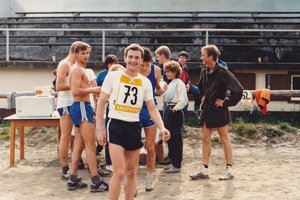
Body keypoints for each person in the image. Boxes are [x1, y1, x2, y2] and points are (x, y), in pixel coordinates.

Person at [96, 43, 170, 200]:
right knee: (119, 172)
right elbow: (101, 102)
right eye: (130, 57)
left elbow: (152, 108)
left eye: (137, 57)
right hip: (115, 124)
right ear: (125, 58)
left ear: (141, 60)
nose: (133, 60)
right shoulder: (113, 76)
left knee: (131, 172)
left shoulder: (145, 82)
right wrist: (99, 129)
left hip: (134, 127)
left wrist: (162, 127)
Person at [189, 45, 243, 181]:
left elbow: (238, 90)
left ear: (211, 57)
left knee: (224, 139)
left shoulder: (224, 73)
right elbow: (200, 86)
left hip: (219, 111)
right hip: (206, 111)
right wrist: (202, 96)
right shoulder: (204, 71)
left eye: (203, 55)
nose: (201, 57)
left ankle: (229, 170)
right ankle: (204, 170)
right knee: (205, 139)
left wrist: (225, 102)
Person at [68, 41, 109, 192]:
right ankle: (96, 181)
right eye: (83, 53)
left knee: (79, 145)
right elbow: (75, 91)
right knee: (91, 146)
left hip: (81, 107)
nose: (86, 56)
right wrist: (94, 89)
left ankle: (72, 179)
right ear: (76, 54)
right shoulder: (78, 70)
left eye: (87, 53)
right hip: (81, 106)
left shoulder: (79, 69)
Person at [138, 47, 166, 191]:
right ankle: (131, 178)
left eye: (146, 65)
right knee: (133, 146)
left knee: (150, 147)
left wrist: (161, 88)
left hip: (149, 109)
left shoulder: (155, 70)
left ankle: (150, 177)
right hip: (134, 110)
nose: (143, 68)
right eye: (142, 65)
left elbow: (158, 89)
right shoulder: (133, 69)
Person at [55, 41, 79, 180]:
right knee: (66, 136)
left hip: (74, 102)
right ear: (75, 52)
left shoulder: (74, 65)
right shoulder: (64, 64)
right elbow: (58, 86)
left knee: (75, 136)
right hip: (66, 103)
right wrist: (75, 85)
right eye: (82, 53)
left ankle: (73, 165)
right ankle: (64, 167)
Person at [162, 60, 188, 173]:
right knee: (170, 138)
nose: (166, 74)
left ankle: (177, 164)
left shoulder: (180, 83)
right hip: (169, 110)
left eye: (168, 72)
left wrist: (174, 108)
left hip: (174, 112)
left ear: (174, 72)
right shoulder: (171, 83)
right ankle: (173, 161)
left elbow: (183, 100)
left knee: (176, 139)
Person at [96, 54, 118, 171]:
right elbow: (97, 88)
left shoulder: (120, 73)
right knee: (108, 135)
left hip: (119, 107)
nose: (113, 65)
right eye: (111, 63)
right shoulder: (102, 75)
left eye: (115, 63)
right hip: (106, 104)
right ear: (107, 64)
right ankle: (109, 161)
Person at [178, 51, 200, 119]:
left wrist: (188, 84)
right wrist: (183, 86)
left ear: (186, 59)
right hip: (179, 87)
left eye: (184, 58)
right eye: (181, 58)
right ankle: (182, 119)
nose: (182, 59)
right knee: (184, 101)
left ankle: (196, 109)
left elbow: (188, 78)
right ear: (178, 58)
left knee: (197, 91)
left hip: (186, 85)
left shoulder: (185, 67)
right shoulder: (176, 67)